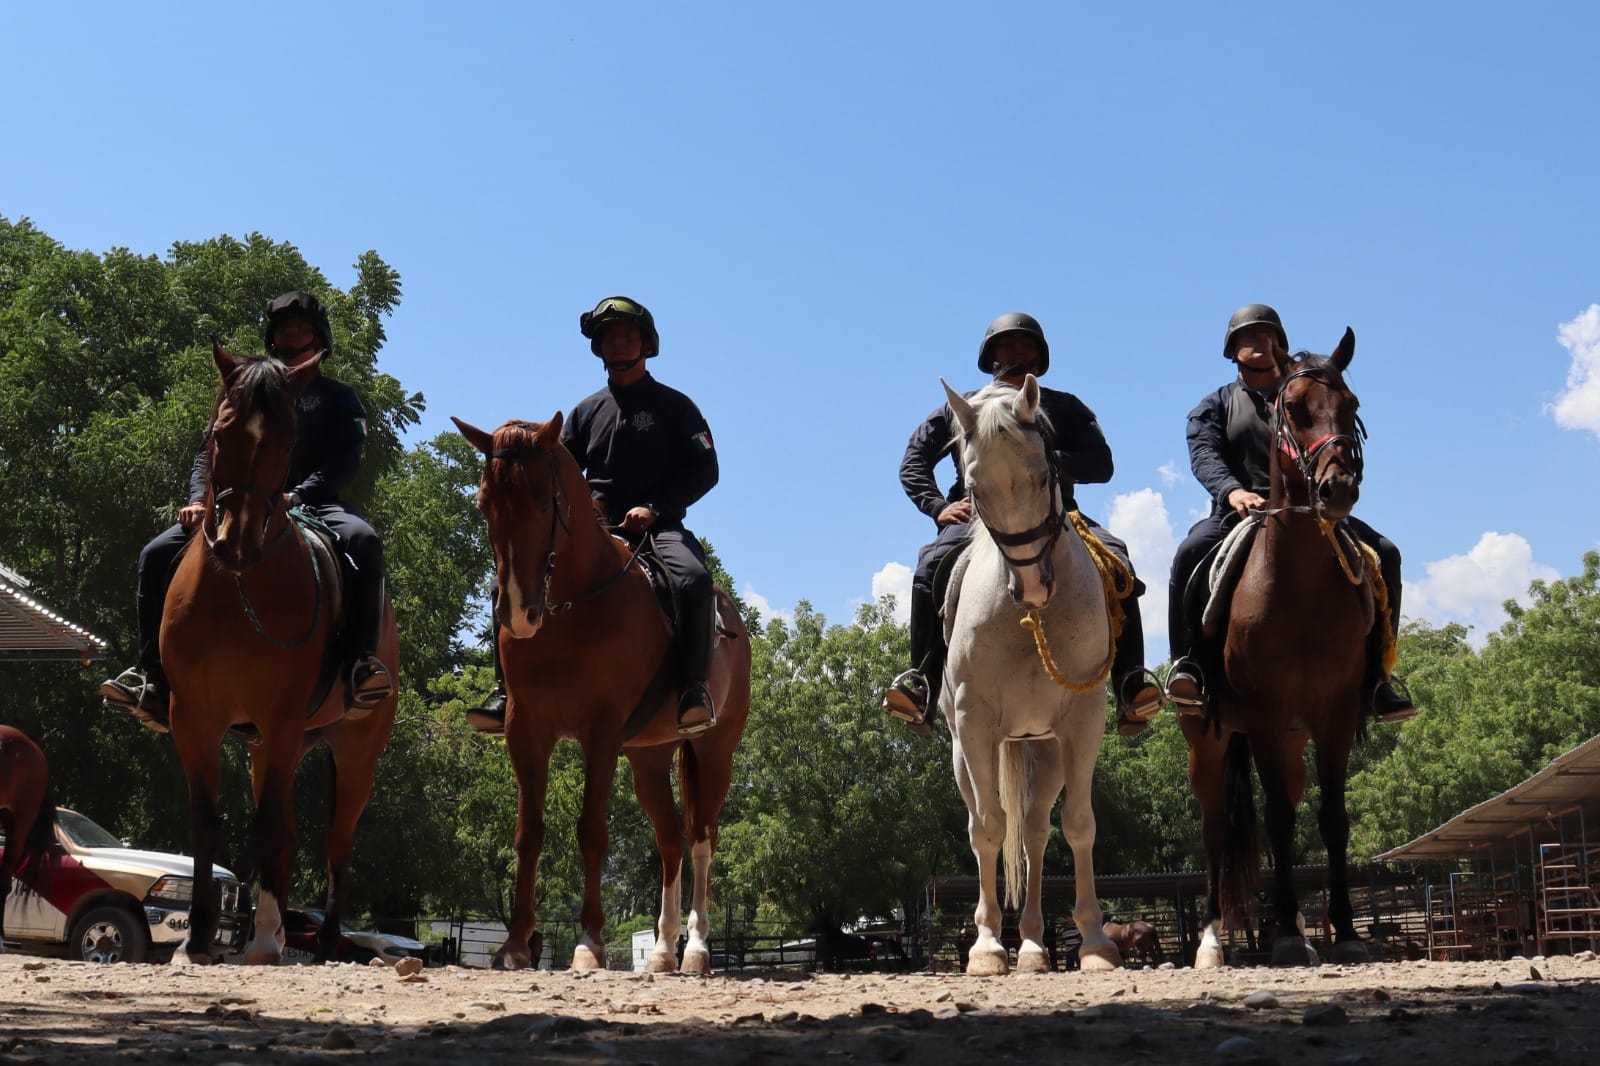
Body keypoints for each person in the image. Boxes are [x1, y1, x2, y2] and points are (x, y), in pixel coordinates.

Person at [100, 291, 393, 732]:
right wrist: (199, 499)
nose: (291, 334)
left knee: (364, 541)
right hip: (236, 503)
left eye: (301, 328)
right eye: (283, 328)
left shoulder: (339, 398)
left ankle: (359, 664)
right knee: (154, 554)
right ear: (272, 336)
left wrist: (300, 495)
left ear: (319, 337)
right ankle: (151, 678)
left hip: (312, 504)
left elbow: (346, 461)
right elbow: (208, 452)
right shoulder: (243, 388)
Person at [881, 312, 1162, 737]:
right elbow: (914, 461)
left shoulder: (1064, 406)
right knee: (929, 567)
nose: (1015, 353)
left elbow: (1101, 464)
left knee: (1119, 561)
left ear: (1039, 356)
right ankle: (922, 681)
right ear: (991, 355)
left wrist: (1048, 462)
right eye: (1006, 346)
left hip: (1059, 515)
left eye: (1024, 346)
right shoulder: (962, 408)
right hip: (979, 518)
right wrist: (938, 506)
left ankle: (1130, 682)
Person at [469, 296, 721, 738]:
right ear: (599, 348)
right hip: (596, 527)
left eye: (627, 335)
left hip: (658, 528)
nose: (618, 343)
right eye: (609, 337)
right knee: (503, 582)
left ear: (646, 343)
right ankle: (504, 689)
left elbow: (706, 470)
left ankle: (693, 689)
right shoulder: (585, 411)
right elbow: (557, 471)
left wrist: (655, 507)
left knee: (694, 580)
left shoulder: (677, 407)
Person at [1164, 302, 1413, 724]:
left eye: (1269, 335)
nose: (1260, 342)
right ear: (1231, 349)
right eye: (1249, 336)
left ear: (1282, 345)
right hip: (1240, 510)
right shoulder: (1215, 405)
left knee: (1385, 553)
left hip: (1313, 508)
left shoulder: (1308, 392)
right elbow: (1204, 455)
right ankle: (1190, 664)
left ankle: (1377, 679)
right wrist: (1232, 491)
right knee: (1189, 552)